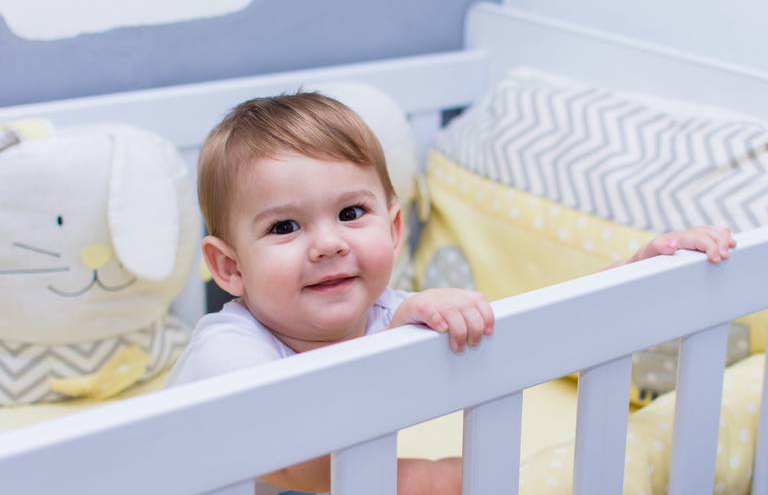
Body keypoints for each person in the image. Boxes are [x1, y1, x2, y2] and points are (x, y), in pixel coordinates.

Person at [166, 92, 736, 495]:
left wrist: (643, 269)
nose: (327, 244)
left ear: (393, 229)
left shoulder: (389, 312)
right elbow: (305, 469)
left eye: (350, 212)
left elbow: (542, 325)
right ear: (229, 267)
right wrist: (445, 477)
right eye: (285, 228)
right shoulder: (229, 353)